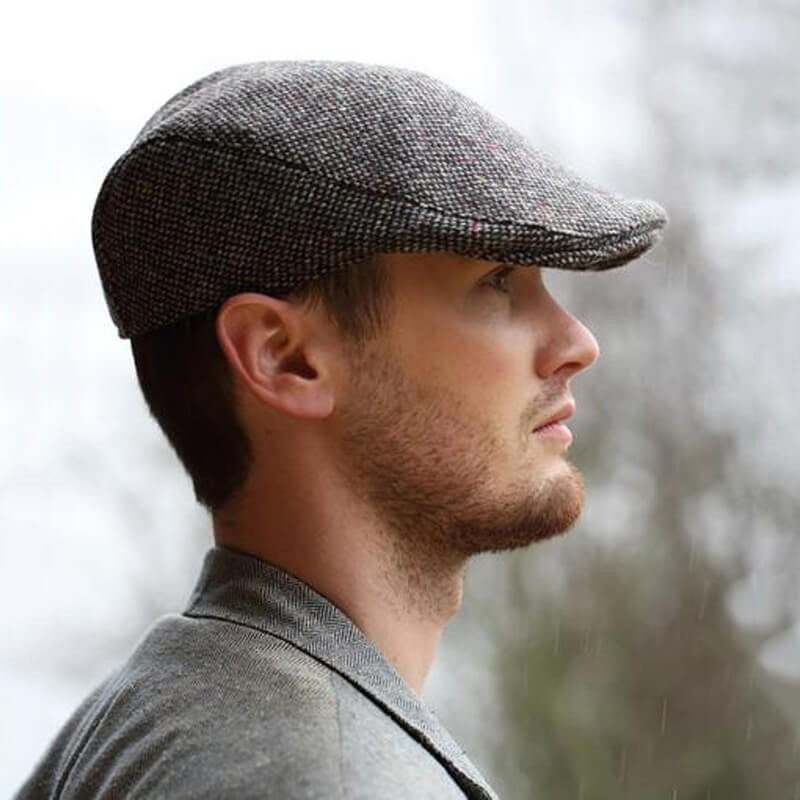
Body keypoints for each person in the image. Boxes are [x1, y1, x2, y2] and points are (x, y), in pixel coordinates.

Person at [15, 60, 667, 799]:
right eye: (495, 281)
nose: (578, 342)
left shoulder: (146, 723)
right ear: (284, 357)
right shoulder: (329, 776)